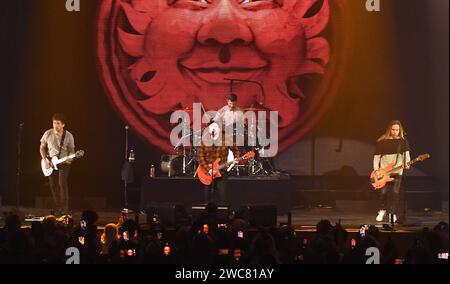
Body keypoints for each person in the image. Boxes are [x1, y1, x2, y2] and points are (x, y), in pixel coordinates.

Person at [373, 120, 411, 223]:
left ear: (400, 130)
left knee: (395, 193)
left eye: (397, 130)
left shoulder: (403, 141)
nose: (395, 132)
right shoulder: (382, 141)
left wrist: (407, 163)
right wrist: (376, 170)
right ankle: (382, 210)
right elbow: (376, 157)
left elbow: (406, 155)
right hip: (383, 172)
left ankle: (392, 214)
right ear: (390, 130)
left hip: (397, 171)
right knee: (383, 192)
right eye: (393, 130)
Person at [40, 113, 75, 214]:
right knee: (53, 186)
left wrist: (70, 159)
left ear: (63, 125)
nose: (55, 125)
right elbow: (42, 147)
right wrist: (45, 160)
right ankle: (58, 209)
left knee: (62, 184)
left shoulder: (68, 136)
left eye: (58, 123)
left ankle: (64, 210)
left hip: (63, 163)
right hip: (50, 162)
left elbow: (72, 151)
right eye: (54, 123)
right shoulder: (48, 133)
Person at [198, 128, 241, 205]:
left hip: (222, 173)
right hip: (206, 173)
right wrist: (209, 169)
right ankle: (207, 215)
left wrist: (236, 159)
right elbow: (200, 157)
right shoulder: (205, 139)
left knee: (223, 199)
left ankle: (222, 215)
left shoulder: (226, 138)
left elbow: (236, 150)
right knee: (206, 200)